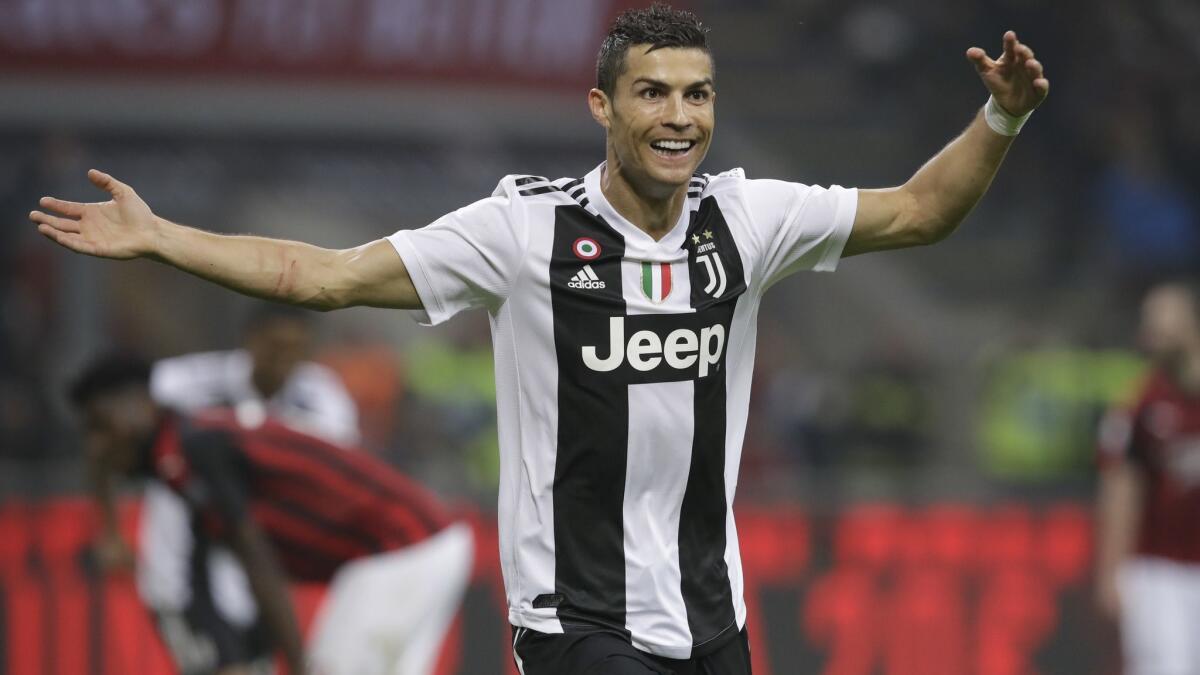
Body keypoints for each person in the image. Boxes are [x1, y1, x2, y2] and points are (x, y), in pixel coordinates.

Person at [31, 5, 1049, 673]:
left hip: (710, 612)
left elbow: (921, 211)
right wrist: (164, 239)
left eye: (697, 94)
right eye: (654, 92)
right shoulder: (521, 233)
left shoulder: (749, 220)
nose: (680, 116)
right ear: (603, 106)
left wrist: (998, 124)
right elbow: (325, 276)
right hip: (575, 619)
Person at [71, 354, 474, 675]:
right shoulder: (184, 451)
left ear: (140, 406)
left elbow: (257, 559)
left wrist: (298, 665)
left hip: (404, 545)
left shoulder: (193, 451)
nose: (96, 446)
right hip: (418, 543)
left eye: (101, 427)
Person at [89, 303, 361, 675]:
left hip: (264, 576)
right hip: (183, 575)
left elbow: (336, 479)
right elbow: (105, 432)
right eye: (274, 346)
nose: (283, 359)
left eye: (295, 349)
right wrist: (109, 530)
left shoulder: (322, 398)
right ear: (250, 340)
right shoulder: (186, 383)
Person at [1095, 282, 1200, 675]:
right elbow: (1121, 488)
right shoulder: (1139, 403)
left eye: (1165, 316)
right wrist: (1111, 571)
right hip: (1159, 571)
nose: (1155, 329)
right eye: (1149, 320)